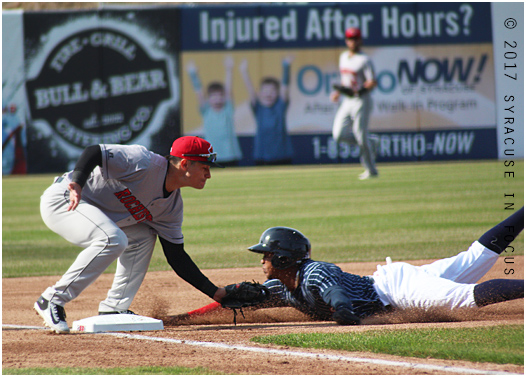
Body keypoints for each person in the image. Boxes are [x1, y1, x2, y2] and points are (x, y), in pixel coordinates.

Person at [34, 136, 229, 333]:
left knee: (143, 236)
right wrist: (77, 182)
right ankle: (52, 299)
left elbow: (177, 257)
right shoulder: (143, 162)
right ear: (185, 164)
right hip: (65, 199)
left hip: (97, 214)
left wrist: (217, 293)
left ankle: (114, 308)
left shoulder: (171, 208)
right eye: (205, 167)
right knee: (113, 239)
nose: (209, 175)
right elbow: (94, 152)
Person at [246, 208, 524, 325]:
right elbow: (247, 298)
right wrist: (223, 298)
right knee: (476, 257)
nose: (262, 260)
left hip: (395, 290)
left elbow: (335, 295)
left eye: (267, 255)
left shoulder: (315, 272)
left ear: (283, 259)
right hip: (392, 282)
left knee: (462, 300)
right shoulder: (282, 286)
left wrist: (343, 310)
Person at [331, 27, 378, 180]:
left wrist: (360, 90)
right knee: (338, 134)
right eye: (350, 39)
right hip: (347, 100)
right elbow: (345, 80)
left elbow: (372, 82)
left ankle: (371, 170)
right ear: (346, 41)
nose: (353, 41)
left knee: (360, 134)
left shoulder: (364, 59)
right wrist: (338, 92)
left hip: (361, 101)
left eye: (355, 38)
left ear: (360, 40)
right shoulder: (343, 57)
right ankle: (372, 142)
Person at [186, 57, 243, 166]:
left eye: (220, 96)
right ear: (209, 99)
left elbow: (229, 90)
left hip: (230, 154)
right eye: (214, 96)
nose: (217, 99)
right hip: (212, 155)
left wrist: (229, 70)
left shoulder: (227, 110)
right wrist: (193, 74)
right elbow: (200, 94)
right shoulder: (206, 111)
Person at [239, 57, 294, 165]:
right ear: (260, 93)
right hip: (262, 156)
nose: (268, 94)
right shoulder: (258, 108)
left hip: (282, 156)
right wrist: (244, 71)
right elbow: (250, 90)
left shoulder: (280, 106)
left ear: (277, 94)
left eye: (272, 91)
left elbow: (285, 87)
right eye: (265, 91)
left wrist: (286, 67)